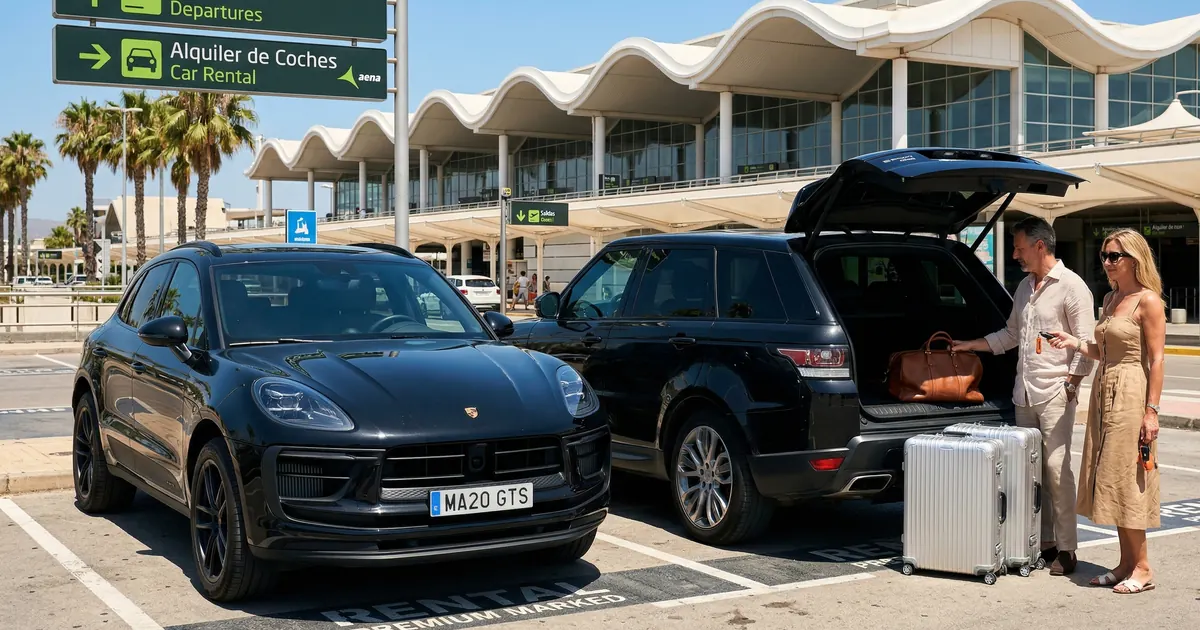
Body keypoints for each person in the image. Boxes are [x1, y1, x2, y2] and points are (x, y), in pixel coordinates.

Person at [951, 216, 1096, 576]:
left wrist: (1073, 384)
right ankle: (1042, 543)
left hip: (1055, 393)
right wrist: (971, 345)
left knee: (1057, 471)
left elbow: (1086, 342)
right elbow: (1012, 334)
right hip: (1024, 394)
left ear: (1040, 246)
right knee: (1032, 474)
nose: (1015, 253)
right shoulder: (1024, 288)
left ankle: (1067, 549)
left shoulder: (1072, 287)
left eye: (1018, 247)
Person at [1047, 228, 1165, 594]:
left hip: (1132, 391)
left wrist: (1152, 412)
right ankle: (1125, 562)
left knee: (1129, 478)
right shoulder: (1111, 299)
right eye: (1104, 255)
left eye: (1114, 256)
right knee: (1110, 477)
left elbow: (1158, 359)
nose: (1107, 262)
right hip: (1104, 389)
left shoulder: (1148, 301)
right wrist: (1075, 343)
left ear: (1134, 259)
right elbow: (1103, 351)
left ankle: (1143, 567)